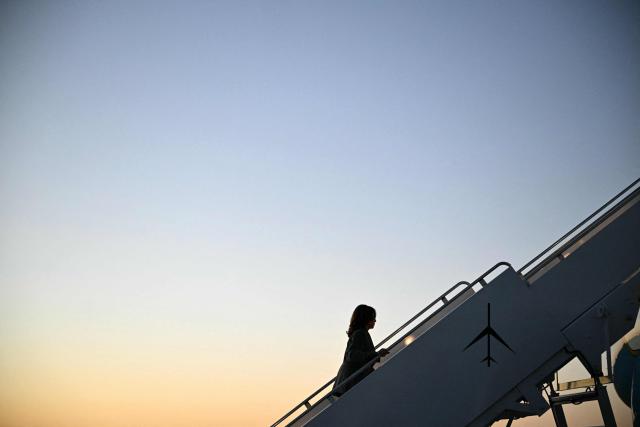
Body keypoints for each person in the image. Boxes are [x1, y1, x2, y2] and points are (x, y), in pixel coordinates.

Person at [332, 304, 389, 397]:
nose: (375, 320)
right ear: (365, 319)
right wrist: (376, 354)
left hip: (349, 380)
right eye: (373, 317)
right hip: (351, 380)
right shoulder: (360, 334)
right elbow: (352, 355)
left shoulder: (360, 333)